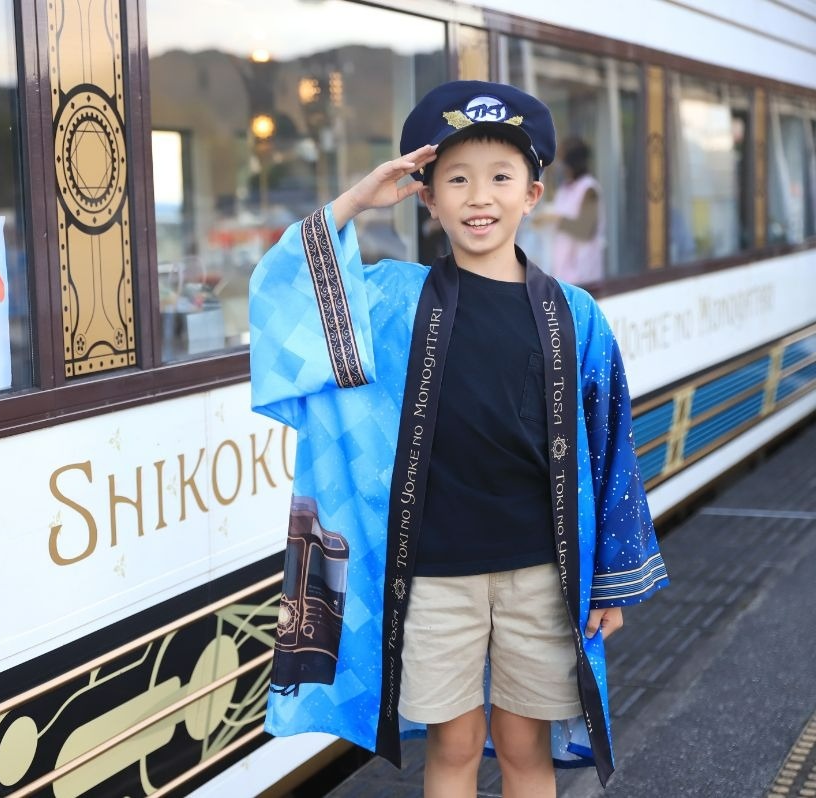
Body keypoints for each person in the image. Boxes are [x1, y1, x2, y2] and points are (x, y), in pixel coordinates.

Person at [249, 81, 667, 796]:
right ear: (427, 198)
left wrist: (611, 579)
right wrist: (356, 199)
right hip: (435, 574)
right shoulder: (390, 303)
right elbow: (282, 292)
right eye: (457, 180)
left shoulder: (577, 315)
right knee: (454, 745)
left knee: (523, 746)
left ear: (532, 194)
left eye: (501, 178)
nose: (480, 197)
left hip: (544, 572)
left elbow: (610, 445)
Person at [535, 137, 604, 283]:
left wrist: (555, 219)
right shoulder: (565, 189)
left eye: (561, 159)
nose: (559, 164)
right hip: (561, 274)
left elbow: (585, 230)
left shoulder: (589, 189)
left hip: (583, 277)